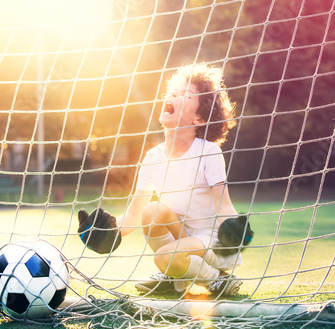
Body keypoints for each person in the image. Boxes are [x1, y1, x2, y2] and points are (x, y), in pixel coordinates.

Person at [78, 63, 253, 297]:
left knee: (164, 256)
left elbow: (223, 204)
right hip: (181, 238)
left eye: (186, 95)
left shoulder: (208, 152)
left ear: (199, 118)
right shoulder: (153, 157)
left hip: (211, 241)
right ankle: (176, 276)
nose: (173, 95)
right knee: (152, 211)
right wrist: (107, 232)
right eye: (173, 91)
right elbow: (134, 215)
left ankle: (216, 280)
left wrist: (235, 227)